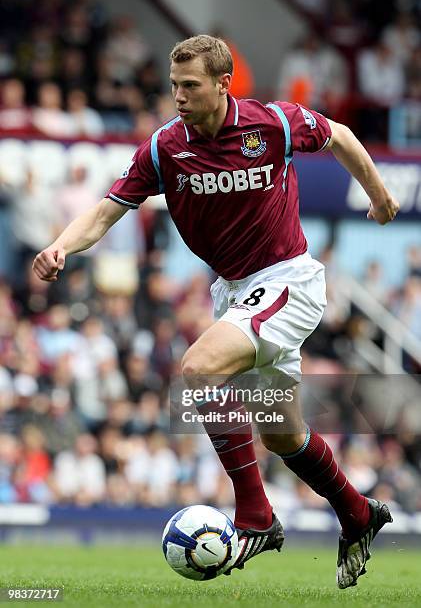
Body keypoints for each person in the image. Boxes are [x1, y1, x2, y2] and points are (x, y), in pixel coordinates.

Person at [33, 35, 399, 588]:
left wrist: (379, 194)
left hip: (288, 280)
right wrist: (62, 244)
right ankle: (358, 512)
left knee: (201, 368)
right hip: (235, 292)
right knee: (282, 434)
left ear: (223, 84)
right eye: (174, 85)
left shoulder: (271, 123)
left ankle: (256, 515)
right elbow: (108, 210)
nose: (178, 96)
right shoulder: (162, 149)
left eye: (191, 86)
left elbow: (340, 135)